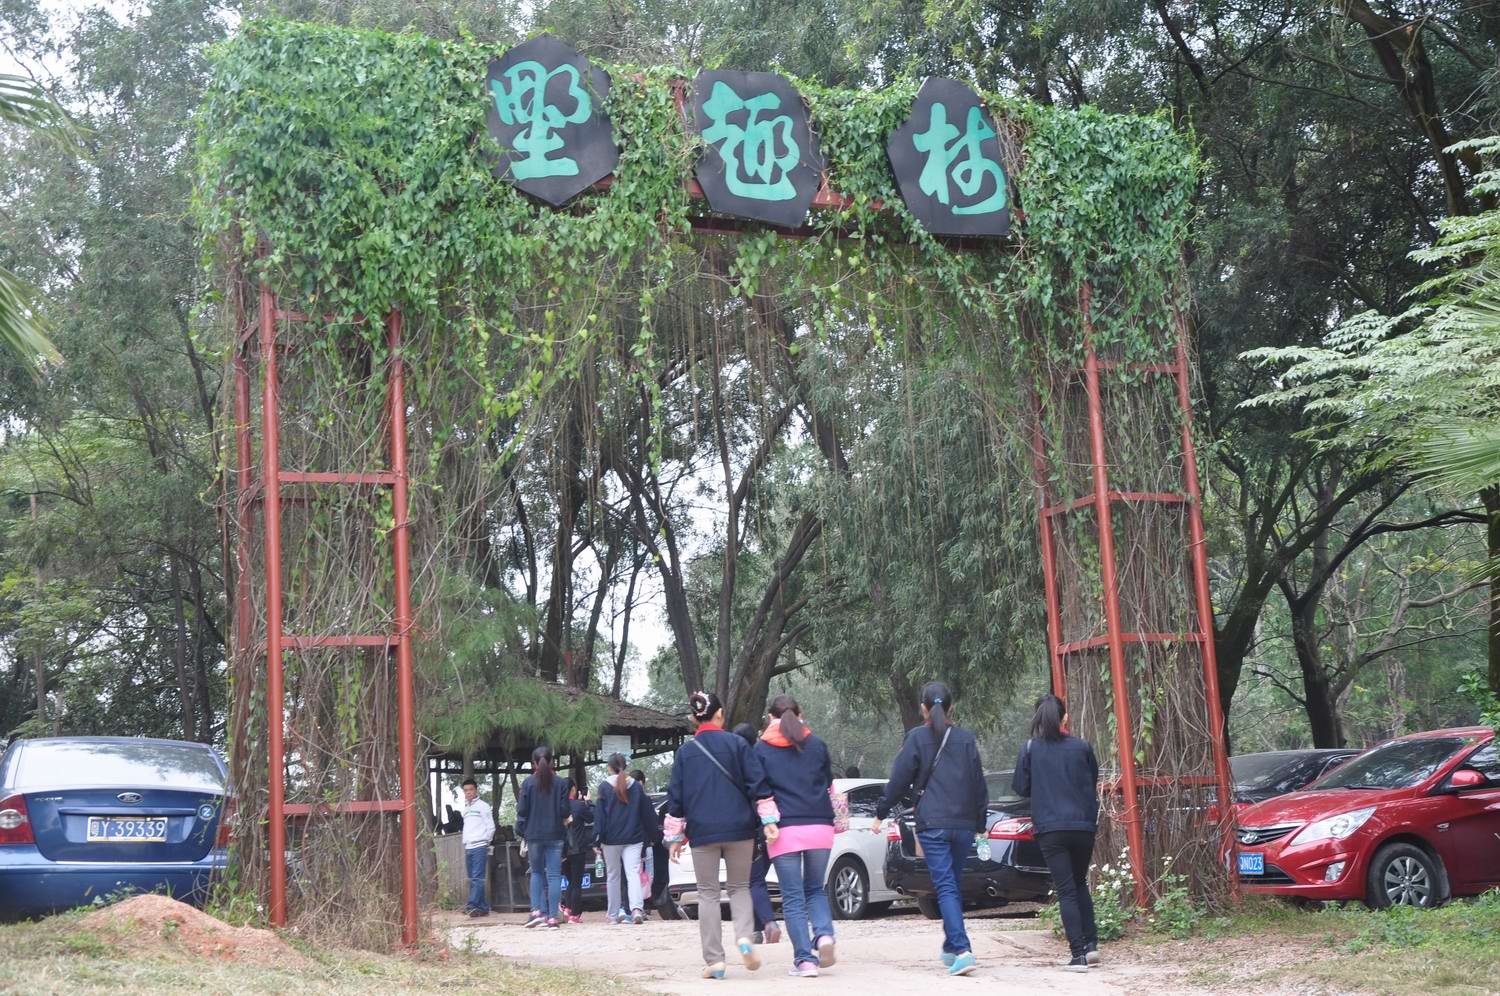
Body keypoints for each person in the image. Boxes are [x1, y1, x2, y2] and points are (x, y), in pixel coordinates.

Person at [873, 681, 987, 977]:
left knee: (946, 886)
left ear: (923, 708)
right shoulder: (966, 739)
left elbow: (899, 780)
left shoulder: (917, 738)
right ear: (951, 707)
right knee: (952, 884)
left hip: (933, 825)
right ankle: (951, 946)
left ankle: (962, 950)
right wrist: (980, 823)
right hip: (963, 825)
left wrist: (881, 812)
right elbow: (979, 783)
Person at [665, 690, 779, 981]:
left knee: (708, 894)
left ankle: (715, 961)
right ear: (720, 714)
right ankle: (744, 939)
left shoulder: (685, 753)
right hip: (740, 829)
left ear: (694, 719)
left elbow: (676, 798)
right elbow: (758, 784)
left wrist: (675, 837)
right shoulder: (737, 744)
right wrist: (769, 820)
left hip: (702, 833)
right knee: (740, 887)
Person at [1012, 693, 1100, 972]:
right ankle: (1091, 945)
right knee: (1079, 883)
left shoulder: (1030, 748)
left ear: (1038, 717)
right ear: (1065, 718)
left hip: (1050, 828)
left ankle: (1078, 956)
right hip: (1083, 826)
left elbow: (1020, 787)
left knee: (1066, 889)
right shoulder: (1082, 747)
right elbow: (1092, 779)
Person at [754, 695, 836, 978]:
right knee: (815, 889)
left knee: (792, 897)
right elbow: (828, 782)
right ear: (800, 715)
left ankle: (805, 960)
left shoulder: (761, 749)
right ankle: (824, 936)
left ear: (770, 718)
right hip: (820, 826)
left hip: (784, 830)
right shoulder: (817, 744)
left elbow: (758, 789)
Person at [732, 722, 781, 946]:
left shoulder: (739, 765)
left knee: (753, 881)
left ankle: (769, 923)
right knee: (755, 879)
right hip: (773, 826)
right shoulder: (766, 759)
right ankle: (757, 929)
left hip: (752, 828)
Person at [597, 752, 659, 924]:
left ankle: (613, 914)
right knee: (633, 874)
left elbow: (600, 816)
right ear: (625, 766)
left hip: (610, 839)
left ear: (609, 767)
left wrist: (597, 839)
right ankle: (637, 909)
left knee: (613, 876)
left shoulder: (604, 787)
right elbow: (647, 814)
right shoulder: (636, 787)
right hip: (634, 838)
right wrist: (654, 835)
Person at [516, 745, 571, 930]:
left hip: (534, 835)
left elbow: (522, 810)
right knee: (554, 876)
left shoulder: (528, 783)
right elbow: (565, 811)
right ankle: (553, 918)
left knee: (537, 873)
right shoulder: (561, 784)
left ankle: (536, 913)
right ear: (552, 762)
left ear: (534, 763)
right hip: (555, 834)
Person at [459, 776, 495, 918]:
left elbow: (490, 827)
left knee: (477, 878)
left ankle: (472, 906)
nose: (468, 792)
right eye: (465, 790)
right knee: (472, 878)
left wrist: (486, 842)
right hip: (469, 846)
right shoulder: (466, 809)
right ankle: (483, 907)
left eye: (471, 789)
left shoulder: (483, 806)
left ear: (476, 790)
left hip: (479, 845)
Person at [562, 779, 597, 924]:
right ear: (573, 789)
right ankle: (574, 914)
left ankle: (567, 907)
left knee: (570, 881)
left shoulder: (557, 806)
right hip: (578, 849)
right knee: (576, 882)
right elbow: (592, 817)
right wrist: (588, 802)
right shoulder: (579, 805)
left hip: (562, 851)